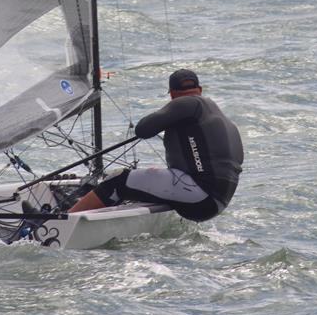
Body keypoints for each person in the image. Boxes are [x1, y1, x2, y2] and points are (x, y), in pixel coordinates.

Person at [68, 69, 243, 221]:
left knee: (117, 179)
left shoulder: (188, 103)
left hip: (198, 195)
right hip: (217, 202)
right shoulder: (224, 121)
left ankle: (63, 219)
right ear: (200, 89)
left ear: (172, 94)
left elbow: (143, 129)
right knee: (143, 183)